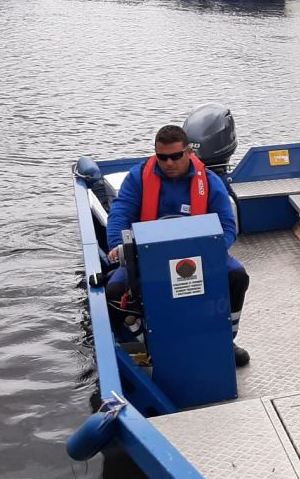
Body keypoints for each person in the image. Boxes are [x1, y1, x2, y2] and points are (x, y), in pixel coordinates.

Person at [106, 125, 250, 367]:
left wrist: (213, 249)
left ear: (188, 153)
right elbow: (120, 212)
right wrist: (117, 245)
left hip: (199, 255)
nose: (169, 163)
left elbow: (227, 226)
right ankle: (149, 344)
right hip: (148, 256)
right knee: (114, 292)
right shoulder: (138, 178)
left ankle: (226, 338)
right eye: (162, 157)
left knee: (237, 277)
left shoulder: (210, 182)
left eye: (175, 156)